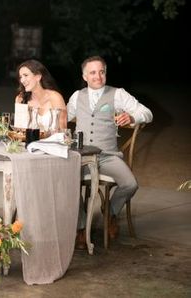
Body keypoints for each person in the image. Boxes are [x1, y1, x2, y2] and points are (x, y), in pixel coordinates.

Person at [67, 56, 153, 249]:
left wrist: (132, 116)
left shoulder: (117, 94)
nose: (98, 76)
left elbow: (147, 113)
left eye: (101, 71)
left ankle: (110, 211)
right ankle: (81, 228)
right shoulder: (76, 96)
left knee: (130, 184)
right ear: (84, 76)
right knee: (68, 183)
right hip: (80, 156)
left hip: (107, 155)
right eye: (92, 72)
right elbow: (64, 116)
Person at [15, 59, 67, 131]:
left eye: (26, 75)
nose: (22, 80)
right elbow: (19, 131)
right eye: (20, 77)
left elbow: (63, 130)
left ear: (38, 77)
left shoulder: (55, 97)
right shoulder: (21, 98)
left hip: (52, 141)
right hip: (29, 141)